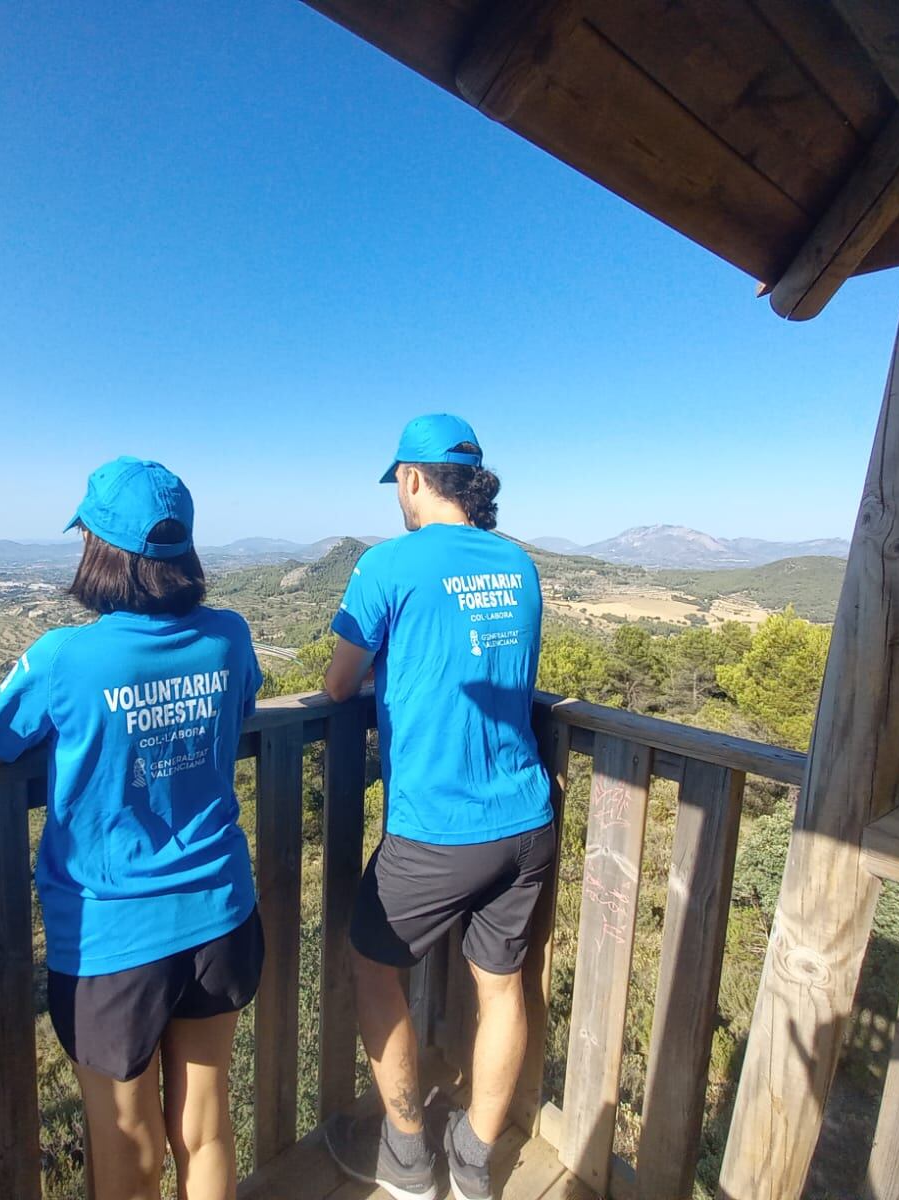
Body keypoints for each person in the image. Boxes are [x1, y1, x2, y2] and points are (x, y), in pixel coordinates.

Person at [0, 457, 264, 1200]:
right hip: (220, 913)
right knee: (204, 1123)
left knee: (125, 1139)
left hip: (110, 937)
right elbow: (244, 710)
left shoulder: (64, 658)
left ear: (97, 550)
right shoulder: (229, 637)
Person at [322, 414, 556, 1200]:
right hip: (525, 819)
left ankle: (407, 1154)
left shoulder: (386, 566)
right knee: (502, 988)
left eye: (398, 482)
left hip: (436, 827)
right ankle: (478, 1161)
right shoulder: (519, 565)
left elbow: (337, 683)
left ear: (414, 479)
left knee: (372, 967)